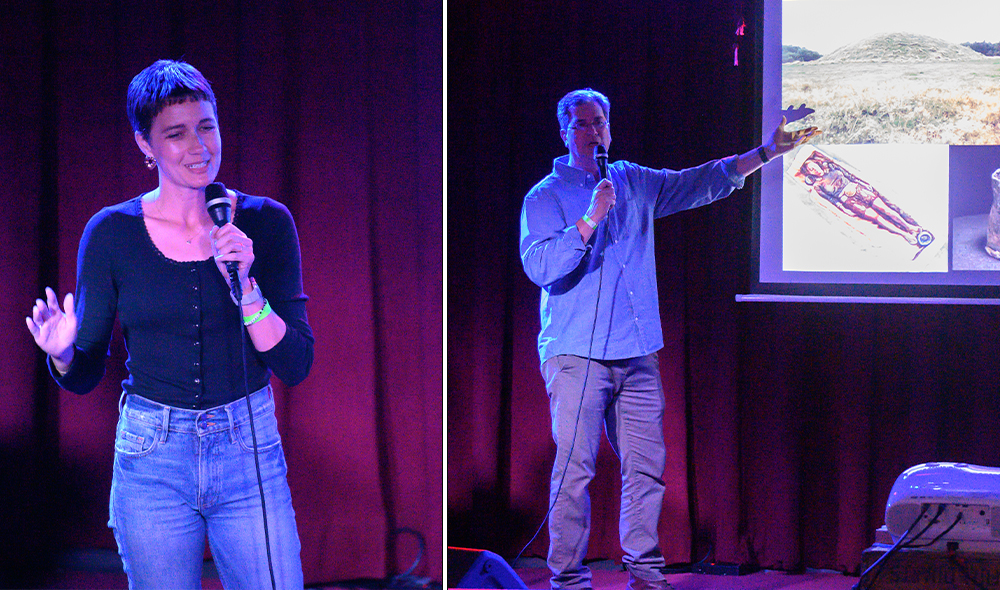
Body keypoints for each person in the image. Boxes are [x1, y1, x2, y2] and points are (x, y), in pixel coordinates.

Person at [25, 59, 314, 588]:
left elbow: (295, 363)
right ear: (145, 144)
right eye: (176, 134)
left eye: (207, 126)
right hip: (152, 456)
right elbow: (85, 372)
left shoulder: (266, 223)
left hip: (247, 449)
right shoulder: (111, 233)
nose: (198, 147)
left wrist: (246, 286)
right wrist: (63, 352)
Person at [519, 88, 818, 590]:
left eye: (601, 122)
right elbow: (541, 267)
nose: (594, 132)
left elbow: (701, 182)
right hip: (576, 354)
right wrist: (590, 219)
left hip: (636, 351)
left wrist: (766, 152)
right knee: (575, 473)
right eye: (583, 124)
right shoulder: (544, 195)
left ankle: (645, 572)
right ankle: (567, 579)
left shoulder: (632, 180)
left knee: (647, 469)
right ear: (564, 132)